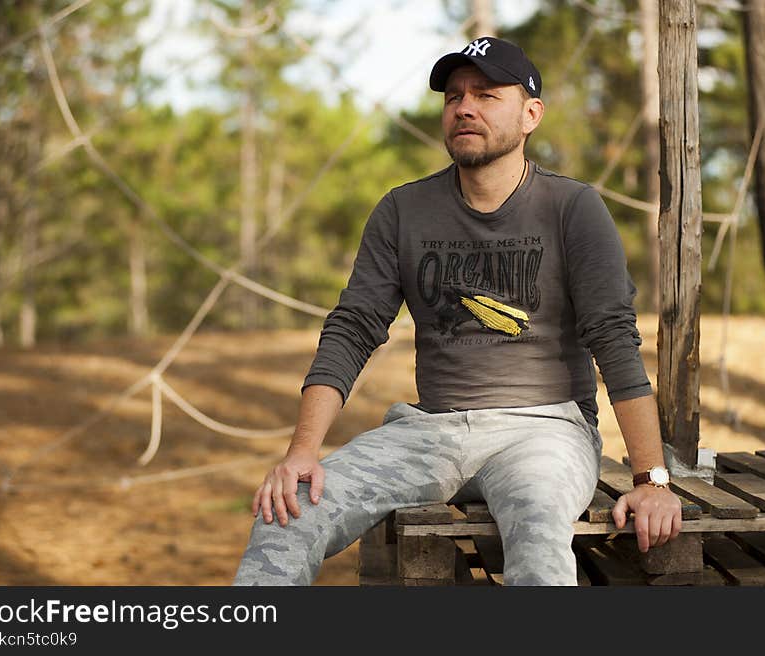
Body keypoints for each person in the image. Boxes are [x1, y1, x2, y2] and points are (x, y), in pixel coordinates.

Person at [234, 36, 682, 586]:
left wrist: (652, 479)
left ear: (530, 115)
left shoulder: (572, 207)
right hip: (429, 432)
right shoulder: (403, 210)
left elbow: (613, 338)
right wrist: (302, 452)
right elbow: (353, 328)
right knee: (286, 511)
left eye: (487, 95)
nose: (464, 107)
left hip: (543, 432)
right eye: (453, 97)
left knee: (539, 541)